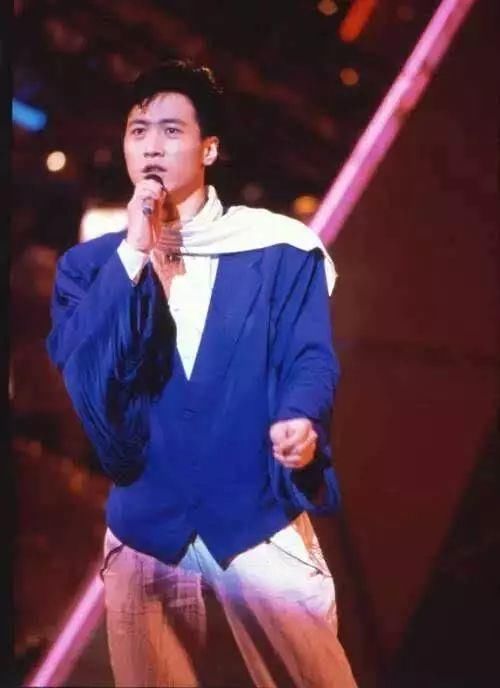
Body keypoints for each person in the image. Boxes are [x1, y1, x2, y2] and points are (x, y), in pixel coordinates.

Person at [46, 59, 357, 687]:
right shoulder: (91, 267)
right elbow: (79, 361)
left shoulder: (277, 247)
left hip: (254, 518)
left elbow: (309, 354)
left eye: (171, 131)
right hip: (144, 527)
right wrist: (134, 251)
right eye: (138, 131)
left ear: (208, 148)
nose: (152, 146)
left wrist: (300, 417)